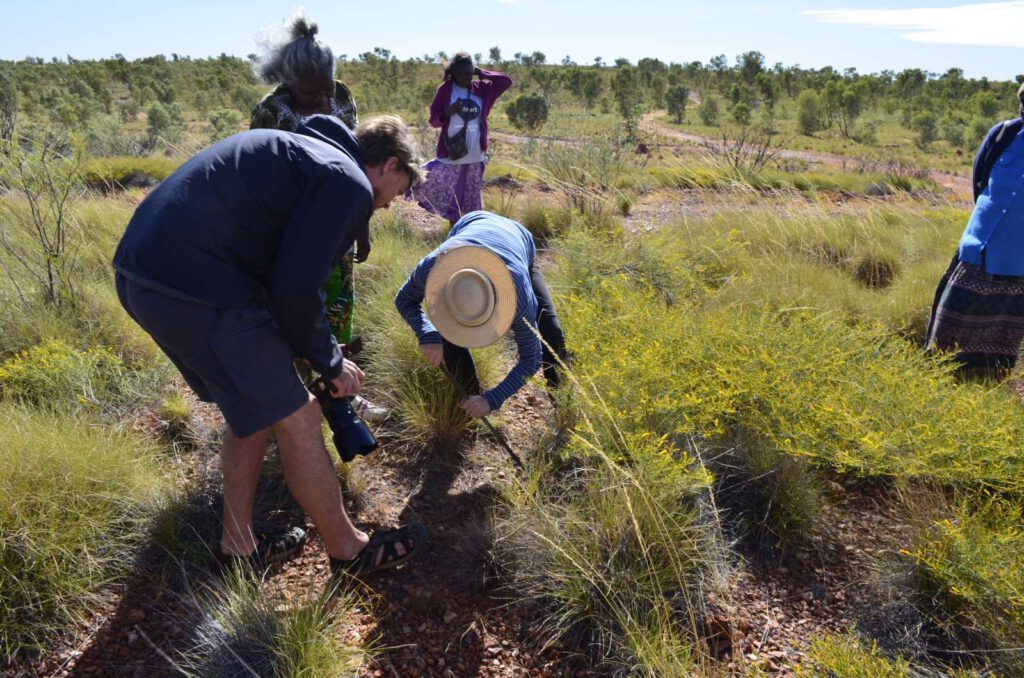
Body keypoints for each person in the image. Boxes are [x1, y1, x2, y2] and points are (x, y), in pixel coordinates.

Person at [113, 114, 426, 575]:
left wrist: (300, 342)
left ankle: (237, 545)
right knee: (299, 415)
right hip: (195, 289)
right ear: (388, 164)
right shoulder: (346, 181)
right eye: (396, 192)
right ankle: (349, 549)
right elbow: (296, 289)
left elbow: (273, 264)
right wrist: (331, 362)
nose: (385, 205)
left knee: (253, 409)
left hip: (144, 276)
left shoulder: (298, 151)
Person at [249, 15, 385, 419]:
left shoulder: (343, 99)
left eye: (325, 90)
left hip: (336, 225)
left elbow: (354, 168)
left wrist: (361, 228)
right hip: (290, 232)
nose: (320, 102)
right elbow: (259, 181)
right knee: (293, 308)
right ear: (288, 82)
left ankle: (340, 393)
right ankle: (295, 404)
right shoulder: (270, 113)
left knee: (338, 304)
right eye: (309, 95)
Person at [395, 211, 568, 418]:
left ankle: (564, 410)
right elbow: (404, 299)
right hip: (471, 222)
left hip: (519, 240)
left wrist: (493, 399)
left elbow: (532, 358)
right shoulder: (435, 265)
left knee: (550, 331)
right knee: (447, 331)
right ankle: (468, 409)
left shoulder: (517, 296)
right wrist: (427, 333)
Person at [926, 83, 1024, 380]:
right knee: (947, 329)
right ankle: (941, 383)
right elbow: (979, 181)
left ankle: (985, 389)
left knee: (999, 342)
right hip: (977, 247)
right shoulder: (1003, 133)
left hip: (1018, 261)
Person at [413, 53, 512, 225]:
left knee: (471, 203)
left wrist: (481, 72)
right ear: (453, 73)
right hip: (452, 154)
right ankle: (453, 232)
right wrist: (446, 113)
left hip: (475, 155)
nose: (465, 77)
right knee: (446, 193)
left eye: (468, 73)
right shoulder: (446, 90)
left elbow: (505, 81)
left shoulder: (482, 89)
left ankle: (465, 235)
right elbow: (434, 121)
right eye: (461, 74)